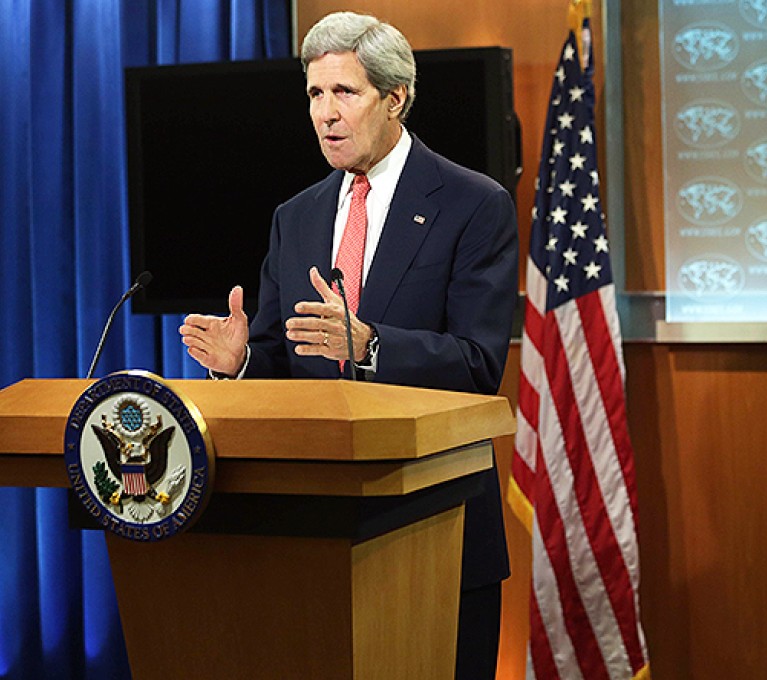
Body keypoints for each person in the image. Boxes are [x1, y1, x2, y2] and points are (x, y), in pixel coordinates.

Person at [179, 11, 518, 679]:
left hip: (435, 528)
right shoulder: (295, 216)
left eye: (345, 93)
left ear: (395, 99)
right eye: (314, 94)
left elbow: (480, 366)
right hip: (313, 534)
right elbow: (285, 361)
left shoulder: (473, 205)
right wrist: (243, 362)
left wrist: (370, 345)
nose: (325, 114)